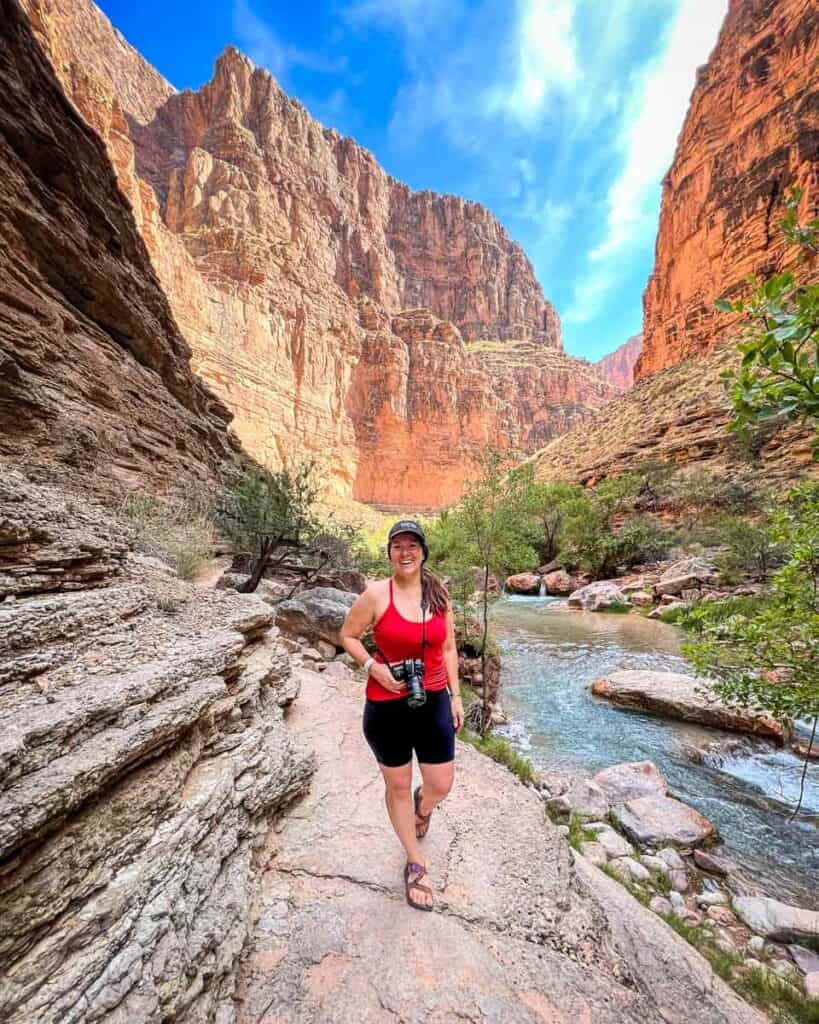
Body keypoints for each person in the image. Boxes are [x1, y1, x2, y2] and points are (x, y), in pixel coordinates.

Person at [340, 519, 464, 911]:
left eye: (413, 545)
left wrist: (456, 696)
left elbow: (447, 649)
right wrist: (374, 668)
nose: (406, 552)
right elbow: (347, 636)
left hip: (433, 700)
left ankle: (422, 809)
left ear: (424, 552)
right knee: (396, 785)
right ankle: (415, 861)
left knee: (440, 783)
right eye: (398, 546)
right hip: (386, 707)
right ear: (390, 552)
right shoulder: (376, 595)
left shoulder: (439, 595)